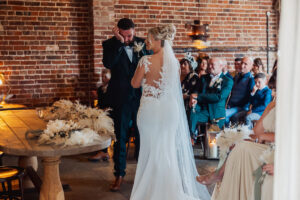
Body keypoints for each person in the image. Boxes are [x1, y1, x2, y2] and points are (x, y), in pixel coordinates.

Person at [130, 24, 210, 200]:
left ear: (159, 40)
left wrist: (142, 77)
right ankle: (169, 191)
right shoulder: (174, 62)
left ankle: (151, 192)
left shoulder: (146, 61)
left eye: (150, 39)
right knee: (167, 151)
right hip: (170, 110)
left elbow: (135, 84)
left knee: (151, 151)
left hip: (151, 110)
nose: (147, 43)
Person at [196, 68, 277, 200]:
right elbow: (256, 132)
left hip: (279, 150)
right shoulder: (272, 105)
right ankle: (220, 174)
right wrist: (240, 138)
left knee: (243, 149)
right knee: (240, 145)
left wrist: (264, 137)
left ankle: (218, 174)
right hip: (264, 147)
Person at [102, 18, 151, 191]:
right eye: (124, 36)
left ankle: (142, 174)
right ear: (118, 32)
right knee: (120, 138)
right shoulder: (109, 44)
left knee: (142, 137)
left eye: (130, 35)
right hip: (120, 98)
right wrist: (119, 43)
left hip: (141, 98)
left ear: (134, 30)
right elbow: (108, 64)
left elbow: (150, 66)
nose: (128, 39)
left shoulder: (143, 43)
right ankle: (119, 175)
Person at [189, 58, 233, 138]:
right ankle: (190, 137)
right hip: (203, 111)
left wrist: (198, 96)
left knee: (213, 141)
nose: (209, 66)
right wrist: (193, 99)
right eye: (209, 64)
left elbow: (219, 97)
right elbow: (195, 91)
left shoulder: (227, 81)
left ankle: (210, 145)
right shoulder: (203, 78)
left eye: (212, 64)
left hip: (216, 113)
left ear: (220, 66)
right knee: (191, 112)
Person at [88, 69, 111, 162]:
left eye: (105, 76)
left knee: (101, 122)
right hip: (102, 112)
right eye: (102, 76)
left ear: (110, 77)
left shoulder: (112, 89)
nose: (103, 78)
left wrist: (103, 111)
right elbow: (100, 104)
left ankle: (103, 151)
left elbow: (112, 104)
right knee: (90, 119)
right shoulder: (100, 89)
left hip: (110, 113)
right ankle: (98, 148)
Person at [225, 57, 255, 126]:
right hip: (232, 106)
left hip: (242, 107)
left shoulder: (251, 79)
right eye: (241, 63)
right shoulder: (237, 76)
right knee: (222, 115)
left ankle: (229, 131)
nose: (242, 66)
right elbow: (231, 93)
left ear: (251, 66)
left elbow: (251, 97)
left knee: (223, 115)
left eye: (245, 64)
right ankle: (229, 132)